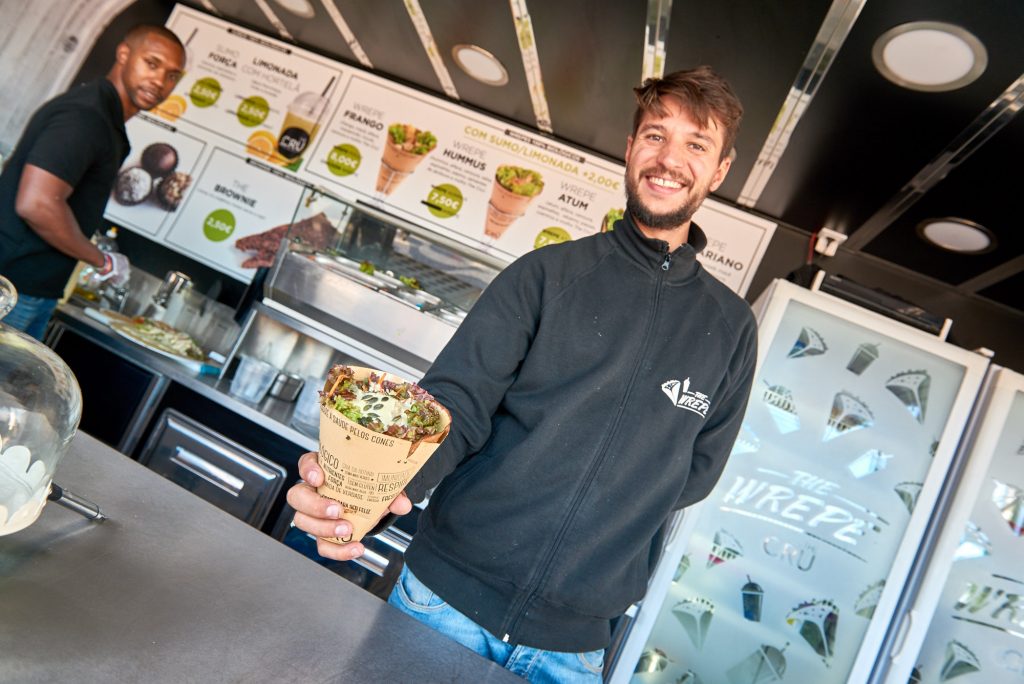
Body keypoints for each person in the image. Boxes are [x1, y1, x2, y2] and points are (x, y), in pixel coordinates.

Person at [287, 66, 758, 683]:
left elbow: (692, 475)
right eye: (655, 135)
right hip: (441, 603)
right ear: (630, 147)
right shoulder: (545, 276)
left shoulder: (730, 328)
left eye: (696, 145)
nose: (669, 160)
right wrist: (376, 495)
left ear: (719, 171)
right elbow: (455, 404)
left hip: (572, 652)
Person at [0, 25, 185, 339]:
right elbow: (37, 204)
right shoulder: (87, 117)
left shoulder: (106, 121)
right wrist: (103, 261)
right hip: (11, 287)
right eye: (151, 63)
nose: (160, 81)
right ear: (124, 54)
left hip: (31, 288)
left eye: (172, 75)